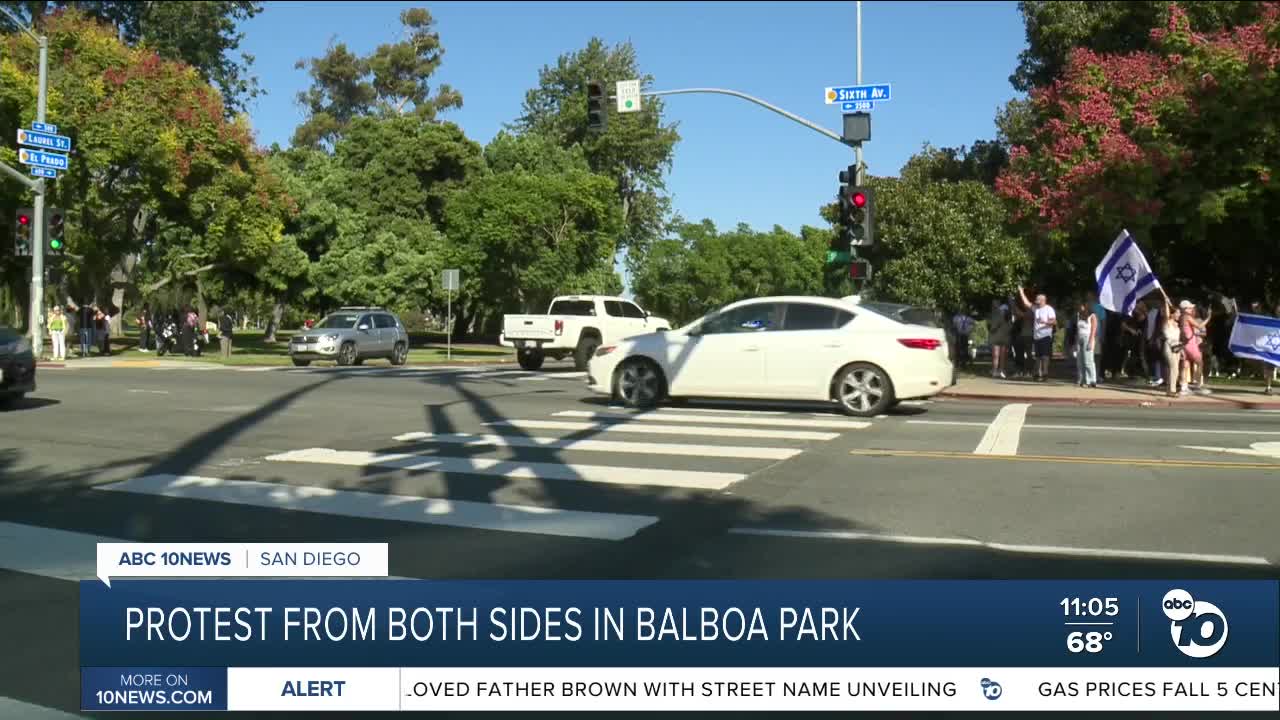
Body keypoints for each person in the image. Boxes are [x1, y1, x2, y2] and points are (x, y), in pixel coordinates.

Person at [1018, 286, 1056, 382]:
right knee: (1038, 356)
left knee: (1045, 356)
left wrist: (1044, 322)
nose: (1035, 300)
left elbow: (1054, 322)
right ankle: (1037, 373)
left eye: (1037, 299)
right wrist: (1021, 292)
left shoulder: (1049, 309)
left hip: (1045, 336)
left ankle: (1045, 373)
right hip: (1037, 336)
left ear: (1043, 300)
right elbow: (1027, 303)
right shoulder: (1036, 309)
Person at [1162, 302, 1183, 398]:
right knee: (1173, 367)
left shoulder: (1177, 324)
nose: (1179, 315)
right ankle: (1171, 390)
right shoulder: (1167, 322)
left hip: (1177, 347)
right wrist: (1166, 303)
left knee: (1176, 369)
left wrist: (1181, 350)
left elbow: (1178, 338)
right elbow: (1167, 314)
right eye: (1177, 313)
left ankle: (1170, 389)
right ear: (1172, 314)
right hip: (1169, 346)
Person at [1074, 300, 1097, 388]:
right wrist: (1076, 342)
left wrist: (1091, 341)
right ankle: (1080, 379)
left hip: (1088, 337)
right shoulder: (1078, 315)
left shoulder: (1092, 315)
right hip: (1079, 338)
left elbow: (1094, 329)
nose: (1080, 308)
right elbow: (1077, 329)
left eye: (1082, 306)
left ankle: (1091, 380)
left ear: (1086, 306)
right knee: (1079, 360)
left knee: (1088, 360)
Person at [988, 299, 1011, 379]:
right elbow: (1010, 327)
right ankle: (1001, 371)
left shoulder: (996, 315)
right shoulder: (1008, 318)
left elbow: (993, 328)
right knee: (1002, 356)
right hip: (1005, 337)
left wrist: (991, 329)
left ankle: (994, 371)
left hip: (996, 337)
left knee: (996, 356)